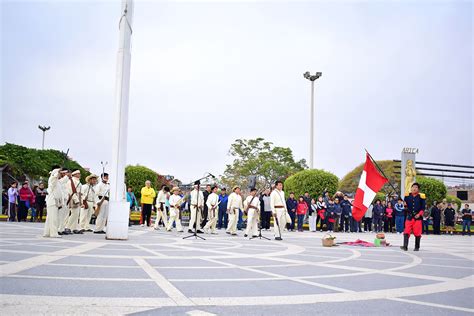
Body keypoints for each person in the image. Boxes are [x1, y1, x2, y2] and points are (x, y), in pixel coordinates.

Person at [400, 182, 426, 251]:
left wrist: (419, 214)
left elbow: (423, 208)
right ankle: (405, 246)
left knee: (417, 233)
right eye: (413, 187)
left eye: (416, 187)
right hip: (409, 217)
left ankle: (417, 247)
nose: (414, 188)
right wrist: (405, 205)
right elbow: (405, 208)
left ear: (418, 190)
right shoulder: (407, 196)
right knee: (406, 231)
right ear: (411, 188)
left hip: (418, 218)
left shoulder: (421, 197)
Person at [43, 167, 68, 238]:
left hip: (55, 202)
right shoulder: (52, 179)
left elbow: (63, 180)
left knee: (50, 218)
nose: (61, 175)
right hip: (52, 201)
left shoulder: (58, 182)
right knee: (54, 218)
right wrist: (58, 172)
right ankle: (53, 233)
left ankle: (47, 232)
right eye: (60, 174)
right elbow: (54, 177)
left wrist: (65, 174)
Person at [65, 170, 83, 234]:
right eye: (78, 173)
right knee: (73, 213)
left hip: (78, 196)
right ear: (74, 174)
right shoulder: (71, 181)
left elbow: (80, 192)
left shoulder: (78, 181)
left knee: (76, 214)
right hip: (73, 197)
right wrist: (76, 200)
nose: (79, 175)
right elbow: (71, 191)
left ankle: (74, 228)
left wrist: (81, 201)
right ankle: (67, 227)